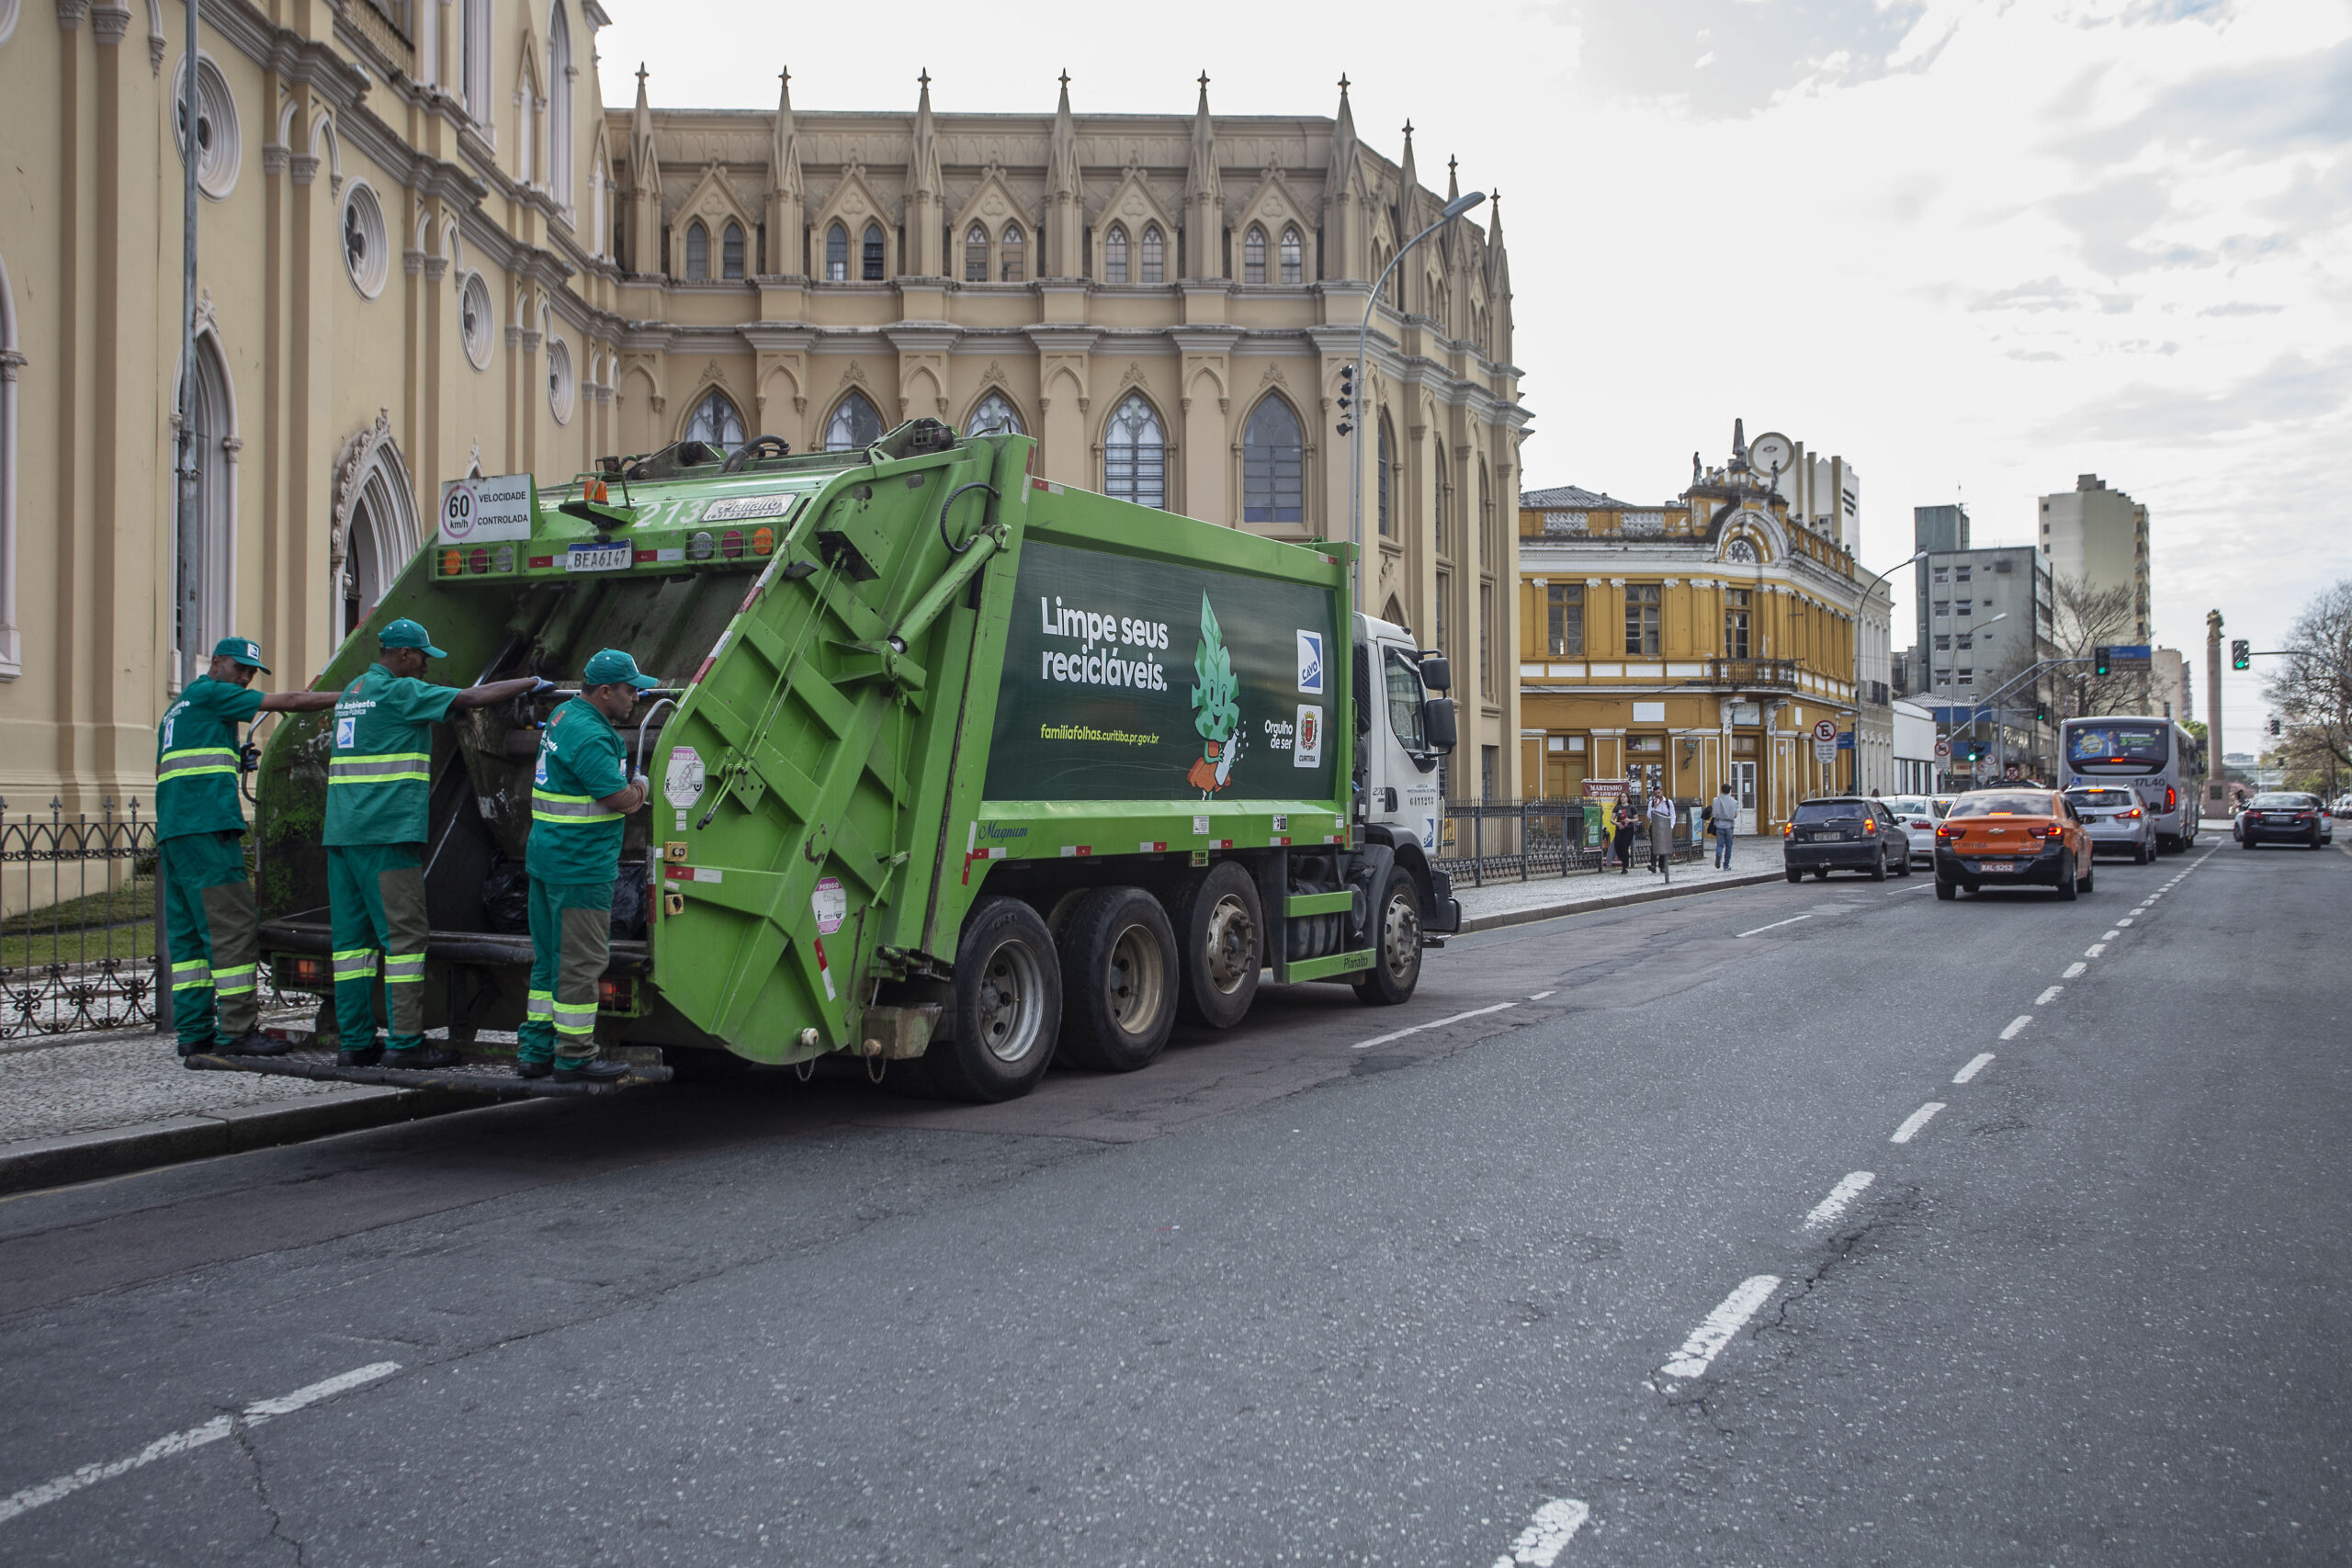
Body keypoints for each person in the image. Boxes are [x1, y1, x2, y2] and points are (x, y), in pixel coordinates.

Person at [326, 619, 546, 1069]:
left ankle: (355, 1042)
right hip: (386, 836)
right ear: (404, 654)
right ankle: (406, 1043)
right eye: (423, 657)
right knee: (404, 942)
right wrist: (531, 683)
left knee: (352, 947)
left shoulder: (353, 692)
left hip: (343, 835)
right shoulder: (400, 691)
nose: (426, 666)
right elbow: (472, 698)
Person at [156, 637, 339, 1057]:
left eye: (251, 672)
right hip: (207, 829)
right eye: (238, 668)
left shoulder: (180, 706)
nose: (244, 678)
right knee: (232, 929)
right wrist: (347, 696)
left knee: (189, 938)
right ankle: (237, 1032)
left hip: (177, 831)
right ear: (216, 662)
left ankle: (194, 1032)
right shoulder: (213, 693)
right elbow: (289, 701)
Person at [517, 649, 654, 1082]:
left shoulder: (562, 715)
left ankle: (536, 1050)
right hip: (581, 867)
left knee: (549, 960)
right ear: (605, 691)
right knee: (582, 963)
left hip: (547, 859)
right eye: (631, 690)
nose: (637, 697)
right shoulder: (593, 736)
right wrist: (641, 786)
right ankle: (575, 1056)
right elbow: (619, 800)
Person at [1710, 783, 1741, 870]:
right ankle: (1726, 865)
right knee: (1728, 846)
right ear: (1729, 791)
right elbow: (1735, 815)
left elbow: (1713, 813)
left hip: (1719, 825)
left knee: (1719, 844)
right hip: (1729, 826)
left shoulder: (1715, 800)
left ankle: (1718, 854)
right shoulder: (1734, 802)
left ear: (1721, 790)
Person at [1646, 789, 1677, 874]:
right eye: (1656, 793)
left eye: (1659, 793)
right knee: (1654, 845)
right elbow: (1649, 816)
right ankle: (1653, 865)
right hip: (1654, 826)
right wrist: (1655, 806)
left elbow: (1673, 815)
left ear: (1662, 792)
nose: (1658, 795)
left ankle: (1662, 865)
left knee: (1663, 845)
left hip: (1665, 826)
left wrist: (1671, 827)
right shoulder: (1652, 803)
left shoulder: (1668, 802)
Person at [1609, 798, 1634, 874]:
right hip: (1619, 829)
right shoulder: (1617, 807)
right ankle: (1625, 860)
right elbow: (1611, 819)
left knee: (1624, 847)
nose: (1622, 798)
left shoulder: (1632, 807)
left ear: (1627, 798)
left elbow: (1636, 819)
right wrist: (1617, 824)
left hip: (1628, 829)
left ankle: (1625, 866)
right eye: (1621, 797)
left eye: (1624, 796)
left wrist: (1630, 820)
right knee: (1618, 847)